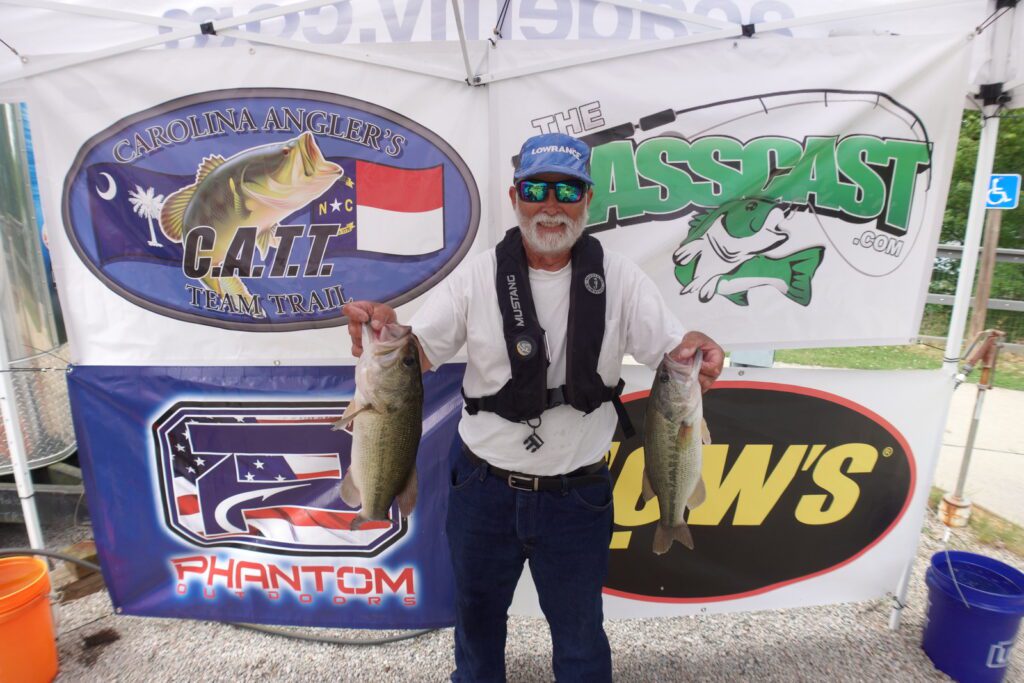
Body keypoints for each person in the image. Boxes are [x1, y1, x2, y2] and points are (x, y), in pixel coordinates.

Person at [343, 132, 723, 682]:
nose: (551, 204)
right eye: (536, 189)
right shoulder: (478, 276)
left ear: (587, 199)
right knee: (476, 633)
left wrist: (699, 349)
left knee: (581, 641)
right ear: (515, 196)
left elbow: (676, 353)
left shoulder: (620, 279)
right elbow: (417, 352)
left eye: (567, 190)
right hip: (483, 490)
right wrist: (384, 332)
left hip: (578, 496)